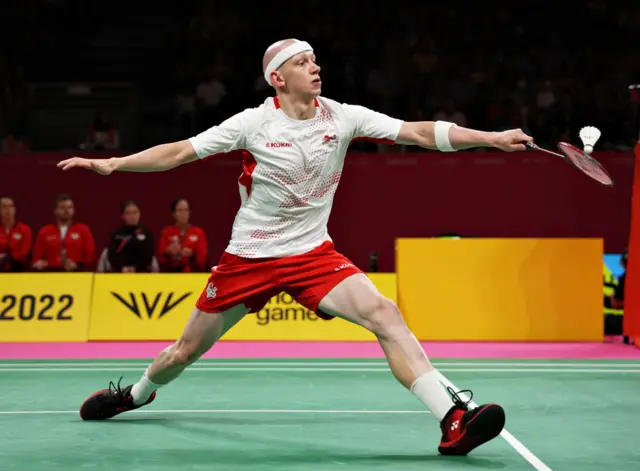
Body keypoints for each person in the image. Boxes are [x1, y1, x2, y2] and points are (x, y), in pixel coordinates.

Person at [59, 39, 533, 456]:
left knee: (384, 314)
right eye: (304, 62)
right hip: (248, 258)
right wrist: (115, 164)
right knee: (183, 352)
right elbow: (180, 151)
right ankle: (138, 394)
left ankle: (452, 421)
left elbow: (418, 131)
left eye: (315, 60)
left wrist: (489, 138)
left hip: (313, 255)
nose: (316, 68)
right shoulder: (252, 123)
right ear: (278, 78)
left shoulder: (343, 116)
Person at [157, 198, 208, 272]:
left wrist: (192, 254)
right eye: (179, 210)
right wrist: (168, 251)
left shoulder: (198, 232)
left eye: (186, 210)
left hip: (193, 272)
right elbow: (160, 257)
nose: (183, 213)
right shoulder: (167, 232)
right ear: (174, 214)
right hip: (171, 272)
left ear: (189, 212)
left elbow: (203, 259)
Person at [104, 200, 155, 273]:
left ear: (139, 214)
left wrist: (136, 268)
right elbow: (112, 255)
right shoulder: (116, 234)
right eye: (128, 213)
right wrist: (122, 268)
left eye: (135, 212)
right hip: (119, 272)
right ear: (122, 216)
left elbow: (148, 255)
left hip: (142, 273)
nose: (132, 216)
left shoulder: (146, 233)